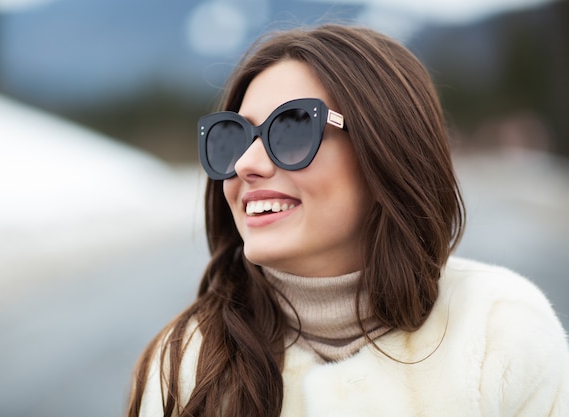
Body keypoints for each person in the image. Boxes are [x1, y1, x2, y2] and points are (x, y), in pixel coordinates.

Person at [127, 24, 569, 417]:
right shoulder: (186, 367)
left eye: (293, 127)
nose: (246, 163)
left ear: (385, 149)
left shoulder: (502, 335)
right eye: (233, 136)